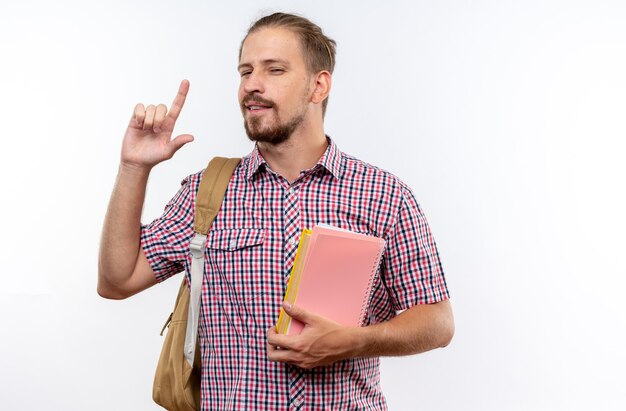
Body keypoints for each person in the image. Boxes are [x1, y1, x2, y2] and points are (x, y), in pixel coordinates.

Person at [98, 12, 454, 410]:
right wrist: (134, 168)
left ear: (318, 86)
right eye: (245, 71)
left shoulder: (383, 194)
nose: (252, 84)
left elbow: (437, 323)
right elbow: (117, 279)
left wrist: (354, 341)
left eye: (275, 69)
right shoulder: (206, 193)